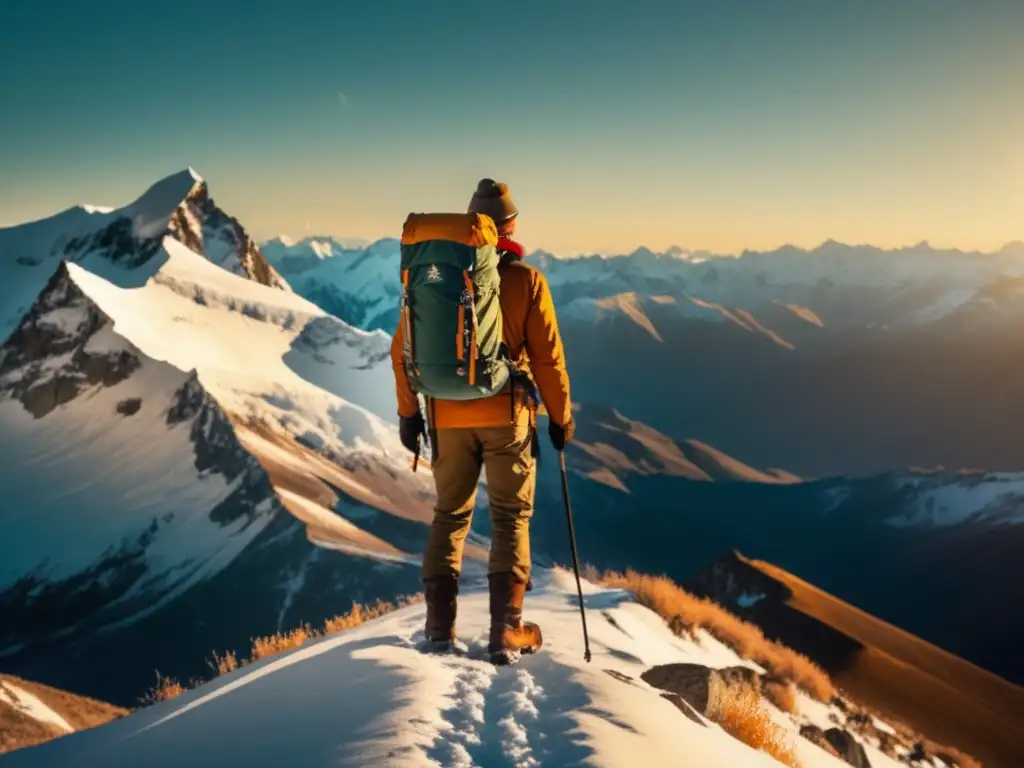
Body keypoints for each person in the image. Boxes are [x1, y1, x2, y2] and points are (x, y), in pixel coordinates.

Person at [390, 178, 574, 660]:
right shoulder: (528, 281)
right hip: (506, 414)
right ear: (509, 227)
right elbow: (549, 360)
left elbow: (401, 350)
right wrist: (560, 418)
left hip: (445, 415)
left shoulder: (440, 280)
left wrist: (409, 416)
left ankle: (438, 628)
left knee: (449, 514)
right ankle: (505, 631)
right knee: (511, 515)